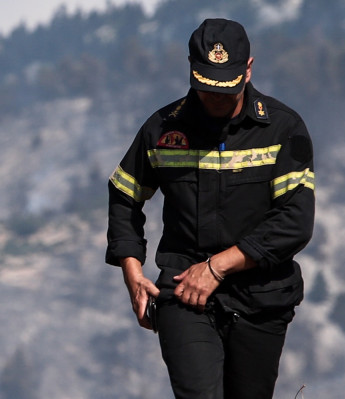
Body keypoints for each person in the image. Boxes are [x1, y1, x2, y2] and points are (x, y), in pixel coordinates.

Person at [105, 18, 315, 399]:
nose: (217, 98)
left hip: (261, 299)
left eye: (228, 88)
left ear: (248, 68)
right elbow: (124, 195)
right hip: (185, 295)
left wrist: (217, 268)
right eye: (207, 88)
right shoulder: (161, 129)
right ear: (191, 68)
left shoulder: (283, 129)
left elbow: (295, 223)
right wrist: (132, 273)